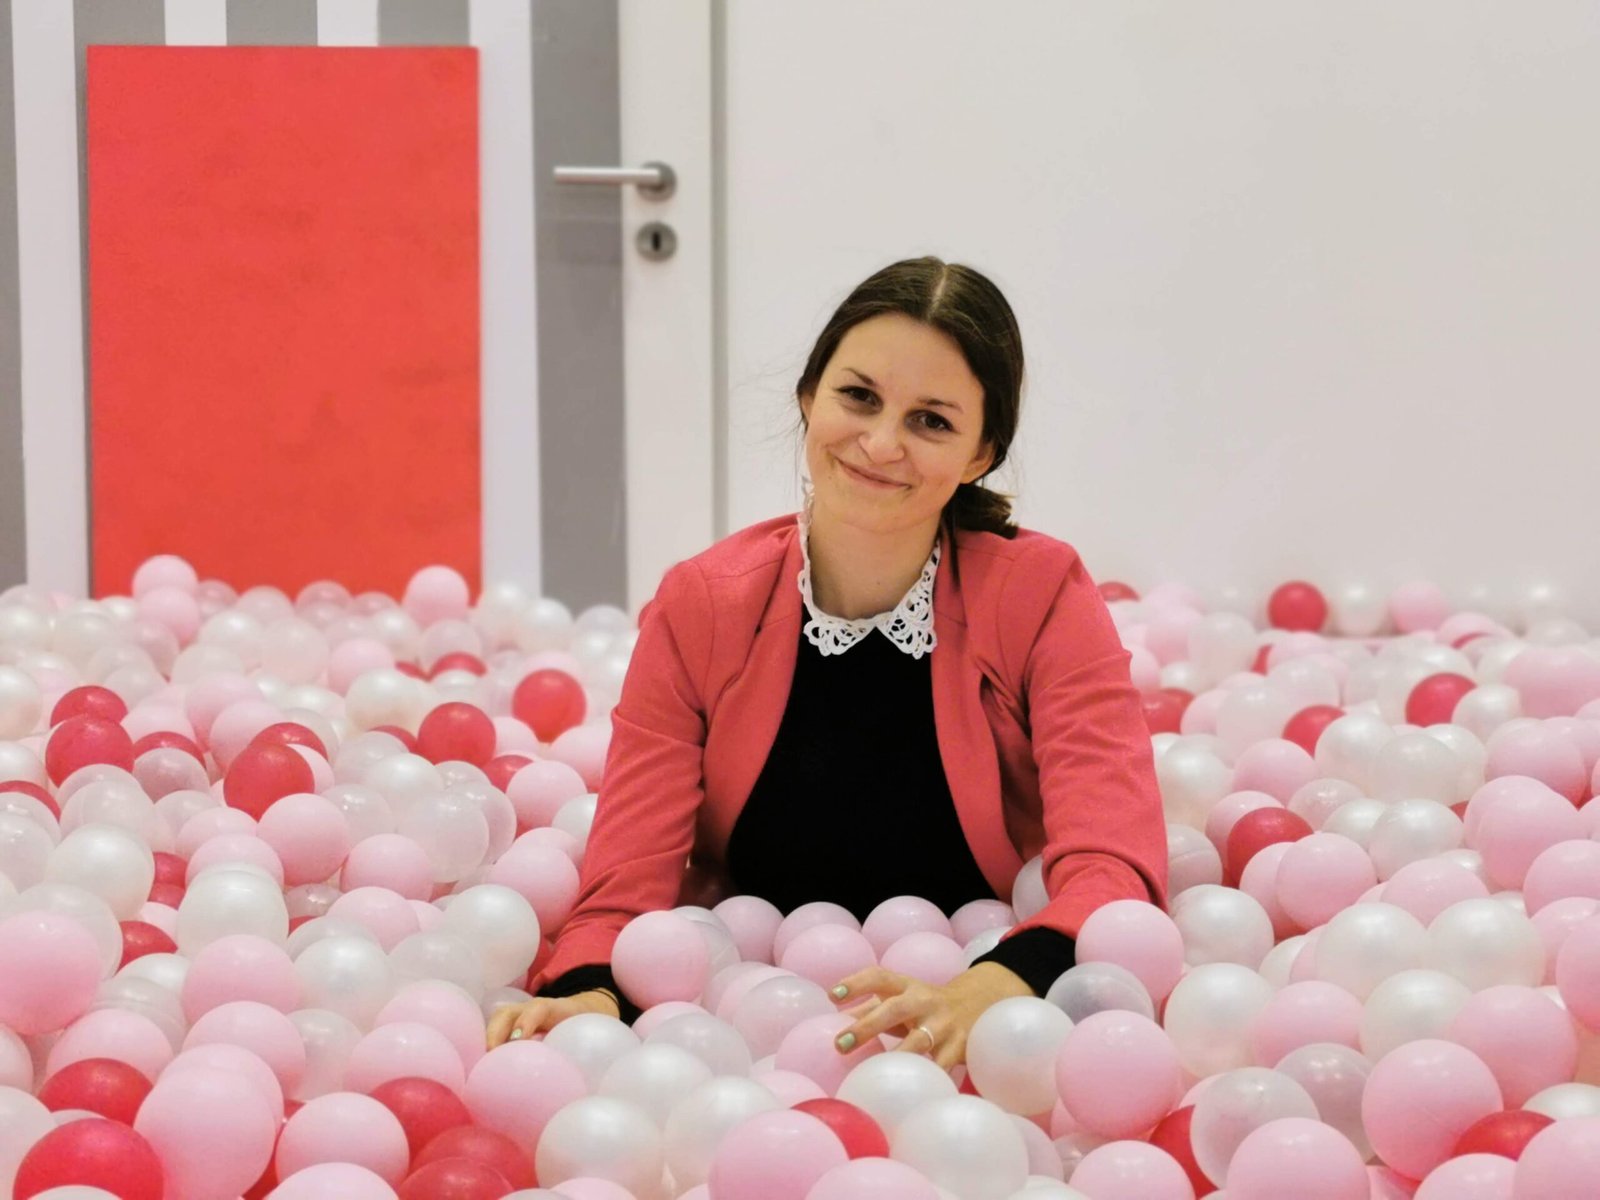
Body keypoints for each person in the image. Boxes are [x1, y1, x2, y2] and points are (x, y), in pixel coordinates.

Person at [486, 256, 1168, 1067]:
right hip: (745, 1016)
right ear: (809, 396)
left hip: (977, 1012)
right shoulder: (702, 604)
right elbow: (627, 879)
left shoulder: (1043, 595)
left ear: (982, 453)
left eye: (932, 422)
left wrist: (994, 987)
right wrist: (590, 989)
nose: (881, 443)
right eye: (860, 397)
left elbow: (1113, 862)